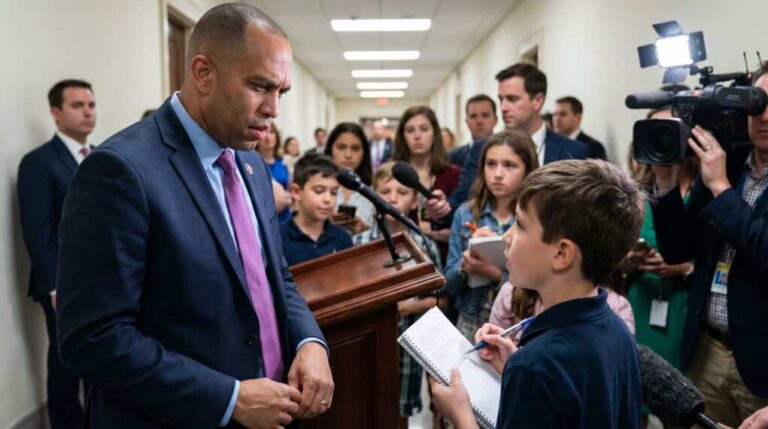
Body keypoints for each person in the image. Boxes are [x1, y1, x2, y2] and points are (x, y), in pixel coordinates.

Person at [55, 5, 333, 428]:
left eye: (282, 92)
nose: (273, 109)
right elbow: (93, 339)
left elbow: (274, 276)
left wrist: (310, 341)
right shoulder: (121, 171)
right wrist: (229, 397)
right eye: (260, 87)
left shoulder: (251, 165)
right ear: (203, 73)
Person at [431, 159, 644, 428]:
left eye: (519, 225)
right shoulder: (617, 331)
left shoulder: (534, 367)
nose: (506, 237)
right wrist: (513, 364)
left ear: (561, 254)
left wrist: (460, 414)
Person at [650, 62, 768, 427]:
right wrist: (666, 182)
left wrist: (720, 188)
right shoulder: (728, 164)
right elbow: (676, 248)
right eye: (758, 102)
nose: (764, 116)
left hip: (762, 361)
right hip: (707, 349)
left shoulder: (720, 176)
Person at [17, 78, 95, 429]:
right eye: (78, 105)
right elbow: (38, 230)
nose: (88, 112)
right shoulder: (38, 163)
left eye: (91, 105)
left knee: (103, 358)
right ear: (55, 112)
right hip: (62, 285)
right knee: (65, 365)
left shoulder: (101, 158)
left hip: (102, 280)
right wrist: (53, 286)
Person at [428, 63, 588, 221]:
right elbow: (463, 199)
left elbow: (584, 210)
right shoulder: (482, 148)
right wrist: (443, 207)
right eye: (501, 99)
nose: (503, 107)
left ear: (538, 101)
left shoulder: (574, 151)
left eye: (512, 99)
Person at [352, 161, 441, 418]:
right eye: (385, 192)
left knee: (400, 412)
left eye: (402, 193)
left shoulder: (424, 246)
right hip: (367, 342)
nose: (392, 199)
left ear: (415, 202)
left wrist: (407, 307)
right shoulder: (358, 244)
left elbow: (438, 301)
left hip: (408, 344)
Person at [621, 108, 697, 372]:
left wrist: (685, 268)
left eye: (670, 130)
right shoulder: (635, 194)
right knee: (638, 385)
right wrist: (629, 261)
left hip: (686, 306)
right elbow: (612, 261)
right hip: (641, 299)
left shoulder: (707, 191)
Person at [443, 130, 538, 341]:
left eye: (509, 165)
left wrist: (496, 275)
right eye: (491, 164)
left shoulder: (535, 217)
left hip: (516, 324)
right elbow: (448, 284)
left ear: (527, 170)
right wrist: (465, 264)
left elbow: (540, 284)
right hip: (470, 320)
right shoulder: (466, 213)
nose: (497, 174)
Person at [392, 106, 462, 259]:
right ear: (402, 136)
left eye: (424, 129)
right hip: (403, 256)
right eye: (410, 130)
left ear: (435, 134)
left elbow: (463, 222)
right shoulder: (392, 173)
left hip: (448, 257)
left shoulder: (454, 174)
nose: (417, 136)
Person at [280, 154, 353, 266]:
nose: (328, 199)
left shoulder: (343, 238)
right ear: (296, 192)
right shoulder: (278, 239)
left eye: (334, 192)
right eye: (319, 191)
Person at [324, 122, 376, 232]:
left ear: (364, 153)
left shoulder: (374, 190)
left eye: (355, 148)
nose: (348, 155)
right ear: (331, 149)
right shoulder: (317, 186)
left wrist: (365, 229)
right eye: (341, 147)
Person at [449, 95, 498, 168]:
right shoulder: (453, 157)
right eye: (473, 116)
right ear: (467, 122)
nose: (479, 121)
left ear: (495, 120)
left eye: (485, 115)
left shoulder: (508, 152)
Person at [553, 96, 608, 160]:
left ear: (578, 117)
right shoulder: (552, 146)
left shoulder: (593, 147)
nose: (556, 119)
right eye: (554, 114)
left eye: (563, 114)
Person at [258, 122, 291, 223]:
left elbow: (291, 190)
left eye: (272, 132)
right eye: (264, 132)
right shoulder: (251, 164)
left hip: (285, 217)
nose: (268, 137)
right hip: (263, 218)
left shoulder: (284, 162)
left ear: (277, 137)